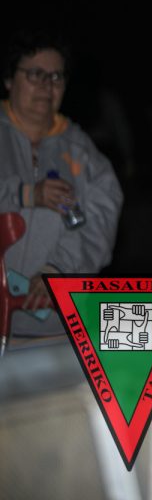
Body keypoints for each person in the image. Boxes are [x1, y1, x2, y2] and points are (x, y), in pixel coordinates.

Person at [0, 30, 124, 338]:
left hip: (55, 327)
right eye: (35, 74)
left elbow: (98, 226)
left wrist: (58, 271)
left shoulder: (84, 154)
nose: (47, 85)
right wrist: (25, 194)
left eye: (56, 77)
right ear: (9, 80)